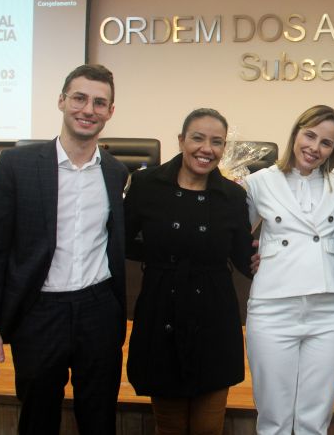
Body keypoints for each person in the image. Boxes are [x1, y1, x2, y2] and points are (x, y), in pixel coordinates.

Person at [0, 64, 129, 434]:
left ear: (110, 111)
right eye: (79, 98)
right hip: (39, 312)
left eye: (99, 103)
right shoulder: (16, 166)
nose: (88, 109)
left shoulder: (115, 172)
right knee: (37, 419)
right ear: (61, 101)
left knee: (100, 419)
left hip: (99, 311)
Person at [124, 108, 254, 435]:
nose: (206, 148)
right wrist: (157, 257)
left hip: (214, 315)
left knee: (208, 426)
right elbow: (121, 242)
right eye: (198, 138)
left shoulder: (233, 196)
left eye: (216, 141)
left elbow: (244, 258)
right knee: (168, 425)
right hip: (161, 309)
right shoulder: (146, 185)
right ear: (181, 140)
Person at [244, 105, 334, 435]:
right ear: (296, 133)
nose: (315, 148)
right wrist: (249, 257)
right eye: (310, 135)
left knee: (314, 418)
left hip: (329, 307)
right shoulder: (259, 182)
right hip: (273, 306)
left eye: (326, 143)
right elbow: (233, 237)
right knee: (273, 417)